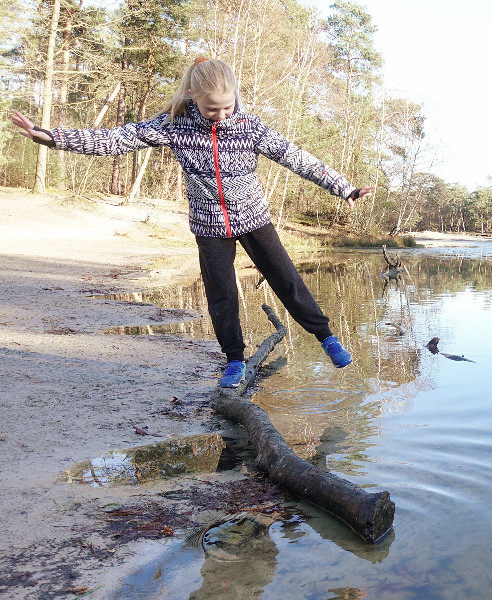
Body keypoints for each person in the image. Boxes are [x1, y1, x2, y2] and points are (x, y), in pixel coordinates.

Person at [10, 57, 374, 388]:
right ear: (192, 97)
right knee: (222, 294)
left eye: (227, 107)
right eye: (212, 108)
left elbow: (298, 158)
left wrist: (345, 188)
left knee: (286, 279)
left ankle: (326, 338)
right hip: (208, 224)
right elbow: (116, 139)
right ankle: (234, 360)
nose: (220, 115)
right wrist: (52, 137)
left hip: (253, 217)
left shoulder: (249, 128)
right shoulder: (175, 126)